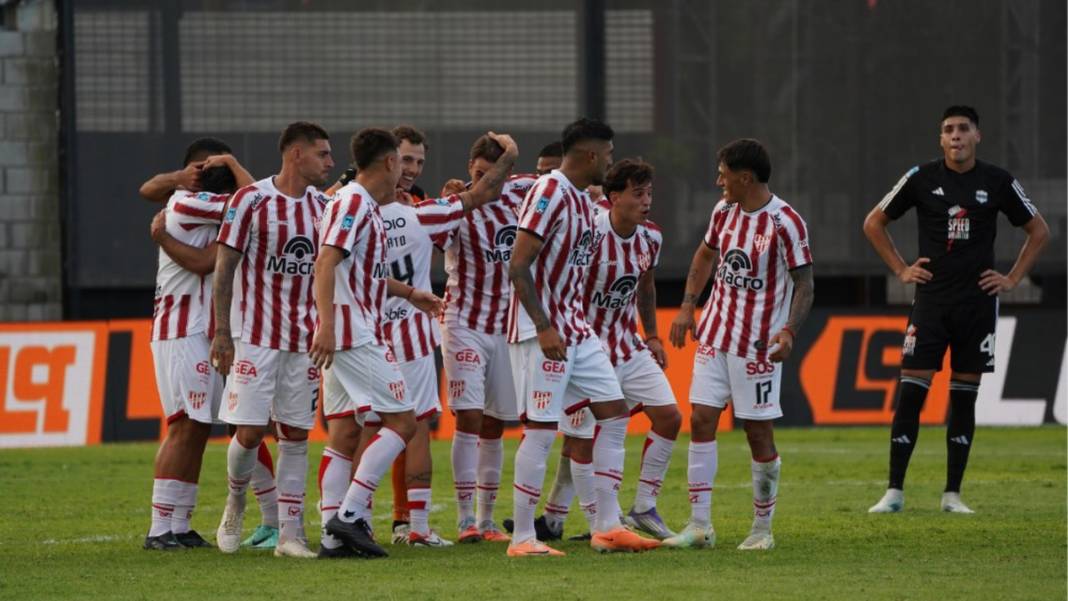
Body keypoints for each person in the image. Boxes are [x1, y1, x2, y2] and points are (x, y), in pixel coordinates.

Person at [864, 105, 1049, 515]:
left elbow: (1039, 230)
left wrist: (1013, 279)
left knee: (963, 400)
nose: (956, 136)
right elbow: (873, 222)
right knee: (911, 395)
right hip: (930, 303)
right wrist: (900, 269)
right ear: (941, 139)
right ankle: (894, 492)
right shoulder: (920, 178)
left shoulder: (998, 181)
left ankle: (952, 495)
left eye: (964, 129)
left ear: (977, 136)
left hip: (977, 306)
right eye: (948, 130)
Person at [506, 117, 661, 556]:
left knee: (614, 413)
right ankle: (521, 538)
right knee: (540, 431)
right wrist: (543, 326)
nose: (611, 161)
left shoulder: (579, 200)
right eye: (609, 154)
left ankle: (608, 527)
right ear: (591, 154)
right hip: (544, 332)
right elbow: (517, 264)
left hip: (577, 329)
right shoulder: (550, 192)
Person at [667, 138, 814, 551]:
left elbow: (805, 284)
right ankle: (699, 525)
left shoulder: (786, 222)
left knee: (757, 434)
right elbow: (703, 255)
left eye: (724, 175)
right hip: (714, 334)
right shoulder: (723, 211)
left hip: (757, 346)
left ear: (745, 178)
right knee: (700, 421)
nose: (719, 182)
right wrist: (687, 306)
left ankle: (761, 530)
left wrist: (788, 332)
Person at [309, 127, 444, 559]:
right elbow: (326, 263)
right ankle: (349, 516)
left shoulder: (356, 202)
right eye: (402, 163)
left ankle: (333, 540)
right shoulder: (354, 202)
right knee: (404, 422)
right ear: (388, 163)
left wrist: (408, 293)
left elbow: (358, 271)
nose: (406, 173)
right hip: (352, 333)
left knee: (344, 433)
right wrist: (328, 326)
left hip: (349, 330)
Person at [210, 122, 336, 559]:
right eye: (323, 154)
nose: (330, 162)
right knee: (248, 433)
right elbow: (224, 267)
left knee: (296, 435)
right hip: (255, 338)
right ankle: (236, 499)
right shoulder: (251, 201)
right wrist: (222, 332)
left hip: (305, 342)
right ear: (297, 155)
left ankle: (290, 535)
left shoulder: (325, 207)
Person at [142, 138, 253, 551]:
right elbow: (250, 205)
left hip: (199, 330)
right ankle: (158, 529)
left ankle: (180, 525)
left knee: (198, 428)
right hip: (179, 328)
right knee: (183, 427)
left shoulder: (197, 205)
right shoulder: (188, 203)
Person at [433, 135, 536, 544]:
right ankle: (463, 519)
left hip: (507, 325)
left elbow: (557, 181)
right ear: (469, 167)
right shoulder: (458, 204)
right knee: (470, 416)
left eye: (491, 174)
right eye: (477, 173)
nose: (483, 182)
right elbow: (433, 239)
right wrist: (451, 197)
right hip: (463, 322)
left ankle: (487, 518)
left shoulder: (521, 194)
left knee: (496, 422)